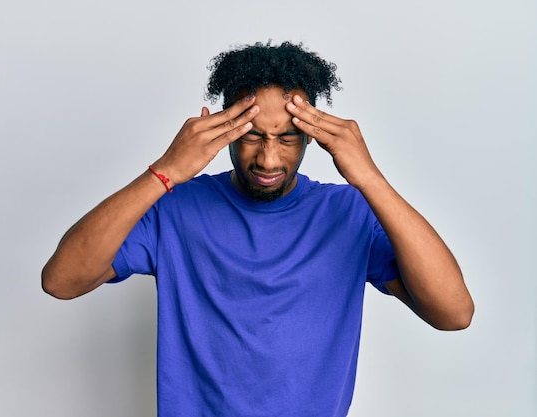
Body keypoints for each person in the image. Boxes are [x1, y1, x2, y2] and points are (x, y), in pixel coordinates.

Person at [42, 41, 474, 416]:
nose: (268, 160)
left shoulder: (349, 213)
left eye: (286, 138)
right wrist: (165, 171)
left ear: (312, 137)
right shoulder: (174, 209)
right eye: (252, 136)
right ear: (226, 131)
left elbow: (453, 314)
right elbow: (61, 281)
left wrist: (369, 178)